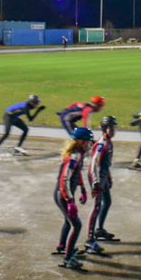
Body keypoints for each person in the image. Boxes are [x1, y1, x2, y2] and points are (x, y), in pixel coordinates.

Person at [54, 128, 94, 270]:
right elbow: (64, 180)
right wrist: (70, 201)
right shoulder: (74, 156)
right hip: (63, 194)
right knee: (77, 225)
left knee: (68, 222)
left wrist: (82, 189)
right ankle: (68, 258)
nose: (90, 144)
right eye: (88, 142)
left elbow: (77, 175)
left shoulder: (79, 154)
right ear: (80, 141)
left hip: (64, 194)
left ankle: (62, 246)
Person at [85, 115, 118, 253]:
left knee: (107, 202)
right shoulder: (101, 144)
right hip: (97, 178)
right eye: (112, 127)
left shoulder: (109, 142)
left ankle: (99, 230)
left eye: (115, 127)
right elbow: (94, 163)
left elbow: (105, 164)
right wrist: (96, 182)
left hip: (103, 177)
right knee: (97, 207)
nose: (114, 130)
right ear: (105, 128)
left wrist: (108, 177)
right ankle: (89, 239)